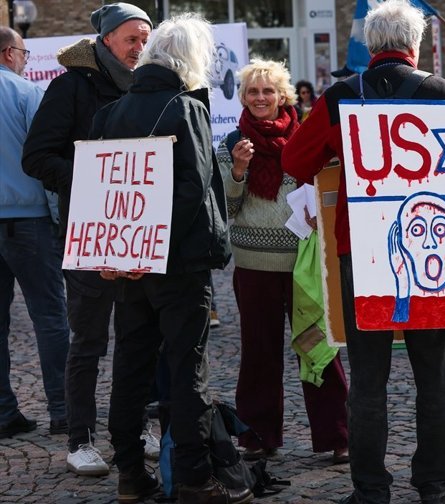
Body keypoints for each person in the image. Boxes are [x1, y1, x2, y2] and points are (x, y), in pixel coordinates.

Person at [280, 1, 445, 502]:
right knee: (434, 375)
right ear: (416, 44)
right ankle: (433, 485)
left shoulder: (342, 96)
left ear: (369, 44)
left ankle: (370, 490)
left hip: (362, 250)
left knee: (367, 378)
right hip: (431, 251)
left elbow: (295, 158)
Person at [88, 13, 240, 502]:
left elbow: (100, 190)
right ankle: (194, 477)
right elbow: (193, 189)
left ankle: (131, 474)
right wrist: (156, 244)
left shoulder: (111, 110)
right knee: (185, 367)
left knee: (130, 364)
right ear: (191, 58)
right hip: (179, 263)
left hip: (131, 262)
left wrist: (124, 248)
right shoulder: (186, 107)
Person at [21, 3, 159, 476]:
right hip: (90, 232)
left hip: (139, 230)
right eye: (131, 39)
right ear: (105, 41)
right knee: (89, 339)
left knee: (140, 337)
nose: (140, 48)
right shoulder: (71, 88)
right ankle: (79, 438)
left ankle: (136, 427)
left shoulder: (150, 87)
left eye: (145, 39)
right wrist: (92, 178)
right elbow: (37, 157)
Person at [216, 59, 349, 463]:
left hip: (304, 262)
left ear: (282, 96)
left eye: (268, 91)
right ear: (243, 97)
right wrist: (239, 169)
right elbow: (228, 208)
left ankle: (338, 434)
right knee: (259, 351)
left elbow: (329, 187)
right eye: (253, 92)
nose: (260, 98)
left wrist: (319, 212)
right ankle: (258, 435)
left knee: (319, 345)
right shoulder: (230, 143)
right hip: (254, 262)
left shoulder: (306, 137)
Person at [0, 26, 70, 441]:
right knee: (49, 316)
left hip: (20, 218)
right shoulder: (27, 93)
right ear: (9, 53)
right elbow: (46, 159)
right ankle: (62, 410)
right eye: (24, 52)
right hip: (28, 220)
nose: (26, 59)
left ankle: (4, 411)